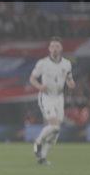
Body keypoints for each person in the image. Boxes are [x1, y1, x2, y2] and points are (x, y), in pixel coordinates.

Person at [29, 37, 75, 165]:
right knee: (54, 125)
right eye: (52, 46)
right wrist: (40, 87)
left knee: (56, 132)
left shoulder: (66, 64)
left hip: (59, 98)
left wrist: (71, 83)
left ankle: (41, 157)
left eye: (57, 46)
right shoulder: (43, 63)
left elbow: (68, 77)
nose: (55, 49)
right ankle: (38, 142)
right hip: (46, 97)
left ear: (61, 49)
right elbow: (32, 78)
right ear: (49, 49)